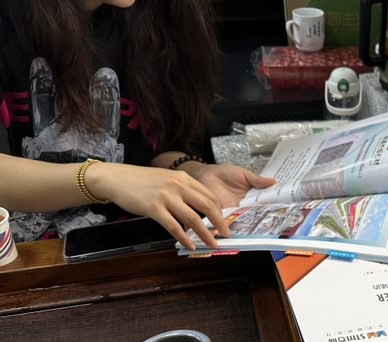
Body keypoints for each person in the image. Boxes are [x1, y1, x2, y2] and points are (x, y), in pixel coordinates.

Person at [0, 0, 275, 250]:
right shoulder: (11, 21)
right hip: (26, 257)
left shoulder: (159, 17)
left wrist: (195, 173)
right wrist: (101, 178)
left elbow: (154, 147)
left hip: (131, 247)